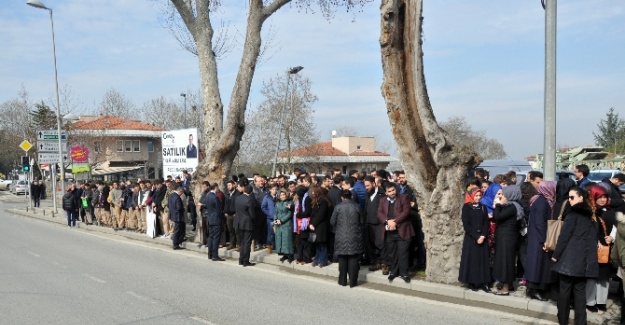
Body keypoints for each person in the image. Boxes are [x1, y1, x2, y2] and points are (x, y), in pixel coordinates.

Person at [551, 187, 599, 325]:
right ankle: (581, 322)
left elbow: (564, 237)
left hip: (569, 258)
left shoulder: (573, 215)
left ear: (581, 198)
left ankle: (563, 320)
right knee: (579, 292)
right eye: (569, 197)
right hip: (584, 260)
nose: (569, 200)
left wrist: (556, 255)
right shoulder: (591, 216)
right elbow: (593, 239)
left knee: (565, 291)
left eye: (572, 197)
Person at [525, 181, 556, 301]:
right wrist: (545, 240)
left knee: (538, 264)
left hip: (536, 237)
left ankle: (536, 288)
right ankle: (533, 289)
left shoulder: (541, 200)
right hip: (538, 239)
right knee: (536, 264)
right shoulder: (542, 202)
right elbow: (540, 223)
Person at [586, 185, 615, 313]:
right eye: (600, 197)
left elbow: (616, 227)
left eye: (605, 197)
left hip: (605, 248)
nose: (603, 200)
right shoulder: (589, 212)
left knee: (603, 277)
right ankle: (590, 301)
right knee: (591, 276)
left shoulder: (610, 211)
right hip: (592, 248)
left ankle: (601, 301)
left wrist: (612, 237)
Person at [377, 182, 414, 283]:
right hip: (389, 231)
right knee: (392, 253)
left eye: (393, 190)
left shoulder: (403, 197)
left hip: (402, 230)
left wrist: (395, 221)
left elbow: (406, 211)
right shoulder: (382, 200)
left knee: (403, 253)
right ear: (386, 192)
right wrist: (387, 221)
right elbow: (379, 213)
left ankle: (404, 273)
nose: (392, 192)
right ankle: (394, 272)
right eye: (389, 191)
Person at [458, 187, 491, 293]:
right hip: (471, 239)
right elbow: (466, 225)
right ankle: (472, 282)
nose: (478, 198)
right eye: (476, 195)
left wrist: (483, 235)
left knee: (483, 261)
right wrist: (476, 236)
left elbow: (486, 223)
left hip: (482, 238)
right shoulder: (466, 207)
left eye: (479, 196)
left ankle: (484, 282)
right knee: (472, 261)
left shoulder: (483, 207)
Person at [492, 185, 521, 295]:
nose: (502, 196)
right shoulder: (512, 206)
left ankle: (505, 287)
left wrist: (498, 205)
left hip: (507, 237)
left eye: (504, 194)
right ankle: (507, 284)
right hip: (507, 236)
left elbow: (498, 216)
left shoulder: (512, 207)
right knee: (506, 260)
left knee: (506, 261)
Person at [331, 190, 363, 287]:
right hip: (354, 235)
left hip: (341, 235)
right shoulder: (357, 206)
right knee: (353, 258)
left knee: (342, 258)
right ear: (351, 197)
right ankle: (353, 282)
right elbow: (362, 220)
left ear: (342, 197)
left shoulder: (338, 207)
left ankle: (342, 281)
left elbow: (332, 221)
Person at [309, 186, 331, 268]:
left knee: (322, 244)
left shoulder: (323, 201)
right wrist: (310, 223)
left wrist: (313, 224)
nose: (313, 193)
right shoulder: (316, 201)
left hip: (321, 226)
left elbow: (321, 215)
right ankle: (317, 259)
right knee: (317, 243)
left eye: (314, 191)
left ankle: (323, 260)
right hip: (315, 226)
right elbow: (313, 214)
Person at [235, 184, 256, 267]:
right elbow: (252, 214)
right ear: (251, 192)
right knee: (247, 243)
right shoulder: (249, 200)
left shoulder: (238, 198)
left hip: (239, 222)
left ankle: (241, 259)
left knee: (242, 242)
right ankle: (245, 261)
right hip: (247, 223)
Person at [204, 183, 225, 261]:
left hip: (210, 218)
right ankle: (215, 255)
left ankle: (210, 254)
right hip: (216, 219)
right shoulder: (215, 197)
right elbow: (219, 209)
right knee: (216, 237)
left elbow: (205, 205)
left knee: (211, 237)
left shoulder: (208, 196)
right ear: (215, 188)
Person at [274, 189, 294, 263]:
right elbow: (275, 212)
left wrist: (282, 220)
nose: (282, 196)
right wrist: (275, 219)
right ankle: (284, 254)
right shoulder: (277, 203)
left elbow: (289, 214)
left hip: (286, 223)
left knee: (287, 239)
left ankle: (290, 255)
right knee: (281, 239)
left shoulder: (289, 202)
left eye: (283, 195)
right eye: (281, 195)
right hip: (279, 224)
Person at [169, 184, 186, 250]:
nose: (181, 194)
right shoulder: (177, 197)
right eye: (181, 193)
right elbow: (179, 207)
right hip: (178, 216)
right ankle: (175, 244)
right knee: (177, 230)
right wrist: (183, 208)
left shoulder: (171, 195)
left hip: (172, 215)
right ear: (180, 191)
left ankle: (178, 241)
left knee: (176, 229)